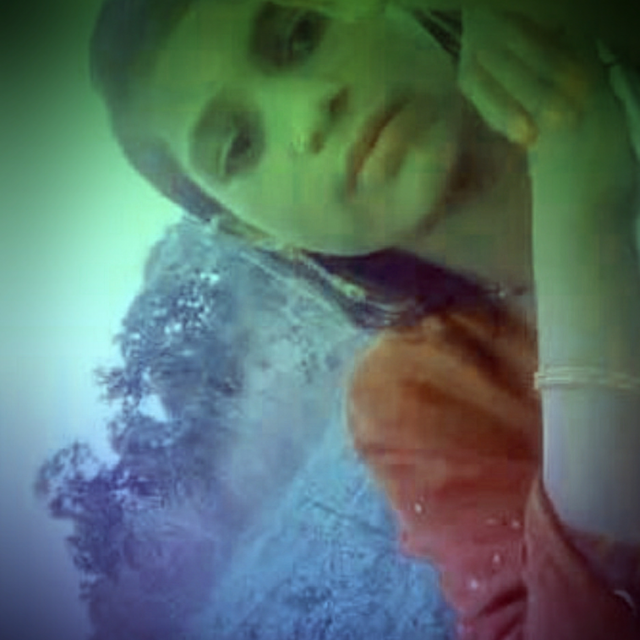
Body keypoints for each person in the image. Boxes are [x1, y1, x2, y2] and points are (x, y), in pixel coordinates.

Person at [90, 0, 640, 637]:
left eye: (301, 34)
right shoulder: (414, 398)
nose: (309, 111)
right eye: (239, 145)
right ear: (250, 230)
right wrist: (582, 211)